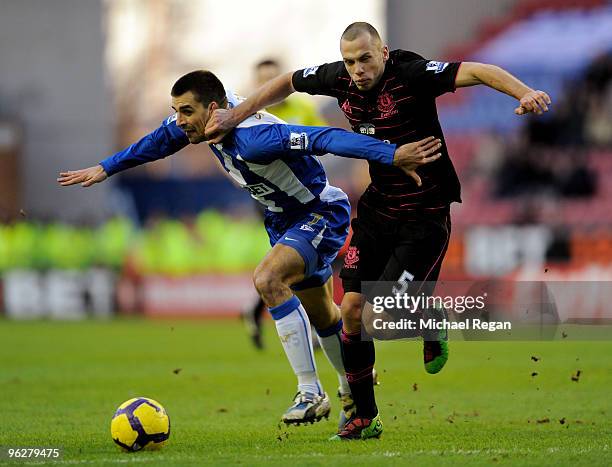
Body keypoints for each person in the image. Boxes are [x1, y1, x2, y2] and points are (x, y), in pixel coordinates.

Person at [204, 22, 552, 440]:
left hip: (424, 215)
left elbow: (477, 70)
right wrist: (236, 115)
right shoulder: (339, 78)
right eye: (350, 61)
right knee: (350, 310)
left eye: (365, 59)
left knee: (376, 315)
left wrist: (524, 93)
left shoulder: (412, 74)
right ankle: (365, 418)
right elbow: (288, 81)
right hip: (377, 211)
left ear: (383, 53)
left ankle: (427, 315)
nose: (357, 70)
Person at [57, 69, 441, 429]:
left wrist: (391, 154)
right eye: (175, 111)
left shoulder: (255, 138)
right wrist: (106, 168)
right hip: (282, 222)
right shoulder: (197, 125)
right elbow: (156, 144)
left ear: (213, 109)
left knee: (268, 279)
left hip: (319, 212)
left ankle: (310, 391)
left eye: (185, 111)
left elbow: (324, 138)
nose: (178, 120)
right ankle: (355, 385)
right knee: (326, 318)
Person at [243, 58, 328, 350]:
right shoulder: (251, 113)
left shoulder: (303, 109)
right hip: (272, 198)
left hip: (307, 193)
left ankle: (256, 313)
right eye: (262, 79)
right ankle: (319, 326)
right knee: (291, 262)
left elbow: (323, 140)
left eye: (272, 78)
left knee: (295, 263)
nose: (267, 84)